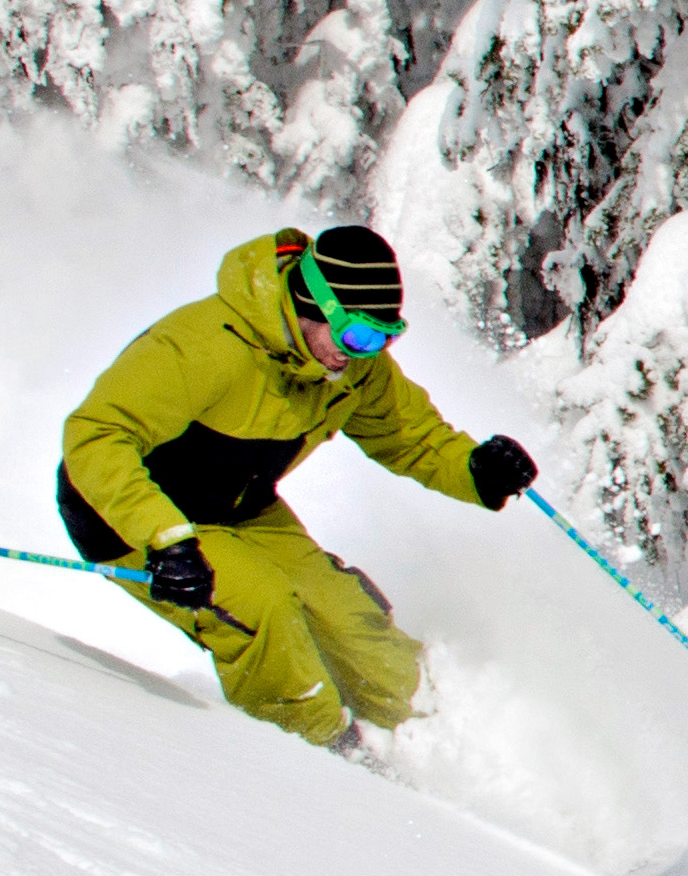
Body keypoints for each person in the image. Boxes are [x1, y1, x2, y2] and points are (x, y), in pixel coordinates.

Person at [54, 223, 541, 752]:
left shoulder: (351, 365)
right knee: (264, 611)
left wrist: (475, 470)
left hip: (241, 507)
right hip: (134, 518)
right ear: (314, 307)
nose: (364, 354)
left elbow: (409, 436)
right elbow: (95, 435)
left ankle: (439, 740)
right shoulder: (203, 347)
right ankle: (323, 759)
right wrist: (164, 537)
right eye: (357, 336)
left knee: (350, 624)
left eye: (385, 338)